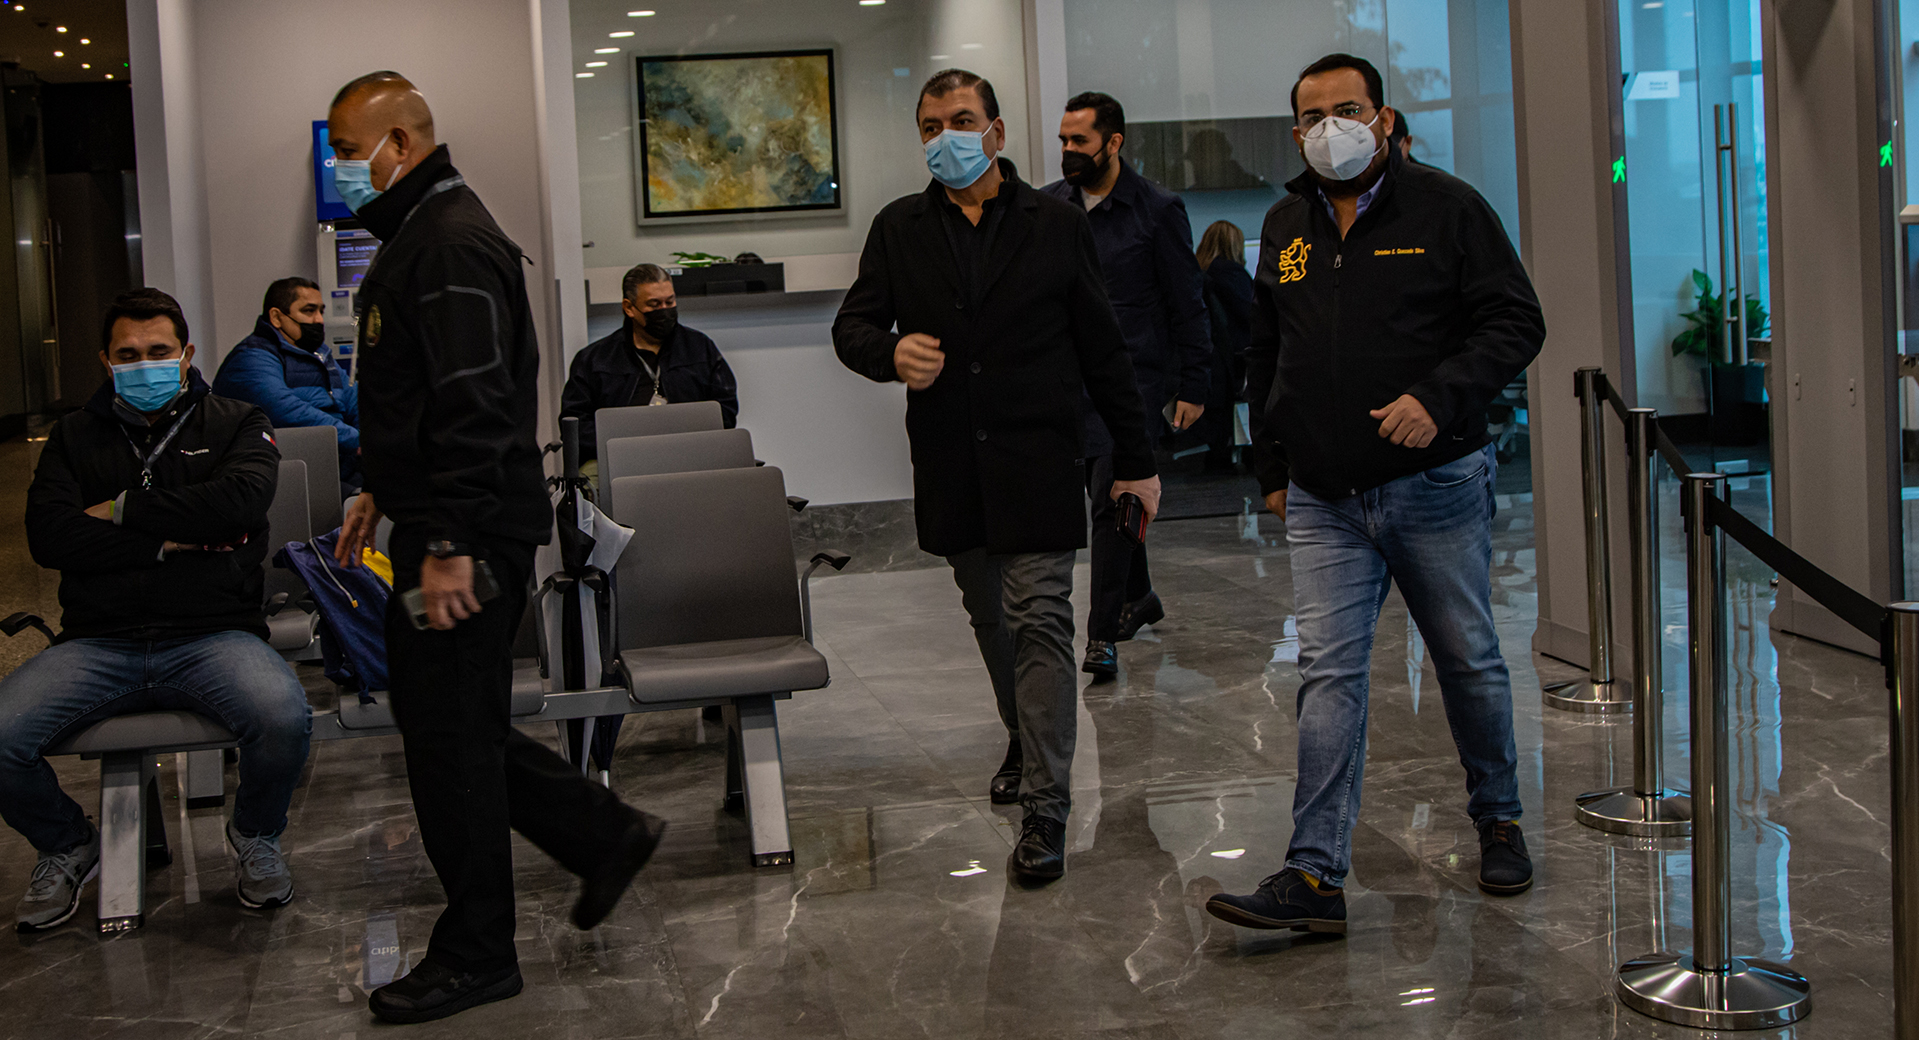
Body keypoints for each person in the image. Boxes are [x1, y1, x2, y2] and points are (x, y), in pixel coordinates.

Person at [324, 72, 665, 1024]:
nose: (341, 168)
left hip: (464, 534)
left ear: (399, 143)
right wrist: (384, 489)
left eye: (348, 151)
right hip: (451, 522)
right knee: (451, 728)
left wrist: (443, 539)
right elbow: (424, 397)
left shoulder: (446, 242)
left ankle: (479, 952)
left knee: (449, 742)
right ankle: (601, 834)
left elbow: (475, 407)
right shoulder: (424, 233)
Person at [1205, 54, 1546, 935]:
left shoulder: (1448, 208)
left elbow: (1515, 320)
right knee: (1327, 673)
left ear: (1384, 119)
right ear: (1295, 133)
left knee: (1466, 658)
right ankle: (1313, 875)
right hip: (1323, 496)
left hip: (1432, 484)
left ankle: (1498, 819)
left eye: (1348, 109)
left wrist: (1438, 397)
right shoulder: (1285, 223)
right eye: (1313, 115)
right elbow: (1266, 352)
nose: (1332, 128)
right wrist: (1271, 469)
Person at [833, 69, 1161, 881]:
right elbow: (853, 326)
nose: (944, 136)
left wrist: (1137, 462)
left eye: (960, 120)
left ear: (996, 132)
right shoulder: (900, 226)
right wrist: (890, 353)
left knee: (1041, 617)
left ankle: (1046, 807)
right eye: (930, 125)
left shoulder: (1055, 224)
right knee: (992, 621)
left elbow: (1103, 349)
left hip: (1037, 458)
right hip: (952, 464)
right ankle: (1021, 734)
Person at [6, 288, 311, 931]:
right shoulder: (73, 436)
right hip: (98, 641)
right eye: (128, 354)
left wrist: (119, 511)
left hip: (213, 634)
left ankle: (256, 834)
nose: (144, 363)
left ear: (186, 354)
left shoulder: (236, 420)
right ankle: (67, 844)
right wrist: (169, 541)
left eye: (158, 350)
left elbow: (240, 505)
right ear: (105, 360)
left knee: (284, 717)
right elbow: (50, 537)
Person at [1042, 91, 1211, 678]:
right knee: (1111, 497)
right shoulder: (1048, 206)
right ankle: (1139, 596)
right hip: (1067, 383)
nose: (1068, 150)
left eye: (1079, 140)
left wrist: (1195, 383)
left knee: (1112, 499)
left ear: (1113, 143)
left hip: (1133, 381)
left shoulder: (1158, 210)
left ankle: (1100, 634)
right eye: (1063, 140)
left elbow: (1188, 301)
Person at [560, 262, 739, 481]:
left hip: (691, 454)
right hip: (617, 458)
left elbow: (726, 412)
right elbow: (575, 426)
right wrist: (623, 443)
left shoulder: (700, 348)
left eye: (669, 302)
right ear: (629, 308)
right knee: (591, 482)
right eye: (654, 304)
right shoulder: (594, 359)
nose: (664, 310)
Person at [212, 276, 363, 496]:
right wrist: (356, 440)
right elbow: (284, 410)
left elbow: (352, 398)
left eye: (321, 311)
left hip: (338, 464)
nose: (319, 320)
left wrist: (371, 439)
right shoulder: (251, 358)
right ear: (276, 317)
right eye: (309, 311)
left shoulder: (319, 354)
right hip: (293, 473)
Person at [1193, 220, 1253, 473]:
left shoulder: (1198, 274)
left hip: (1213, 359)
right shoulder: (1233, 274)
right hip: (1238, 356)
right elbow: (1252, 315)